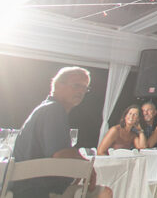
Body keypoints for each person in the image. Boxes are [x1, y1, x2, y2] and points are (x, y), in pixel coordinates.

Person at [10, 66, 112, 198]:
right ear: (57, 85)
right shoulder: (54, 110)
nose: (81, 91)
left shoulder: (45, 109)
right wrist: (87, 166)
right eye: (76, 86)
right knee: (103, 193)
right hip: (35, 191)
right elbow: (60, 153)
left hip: (25, 188)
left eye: (85, 88)